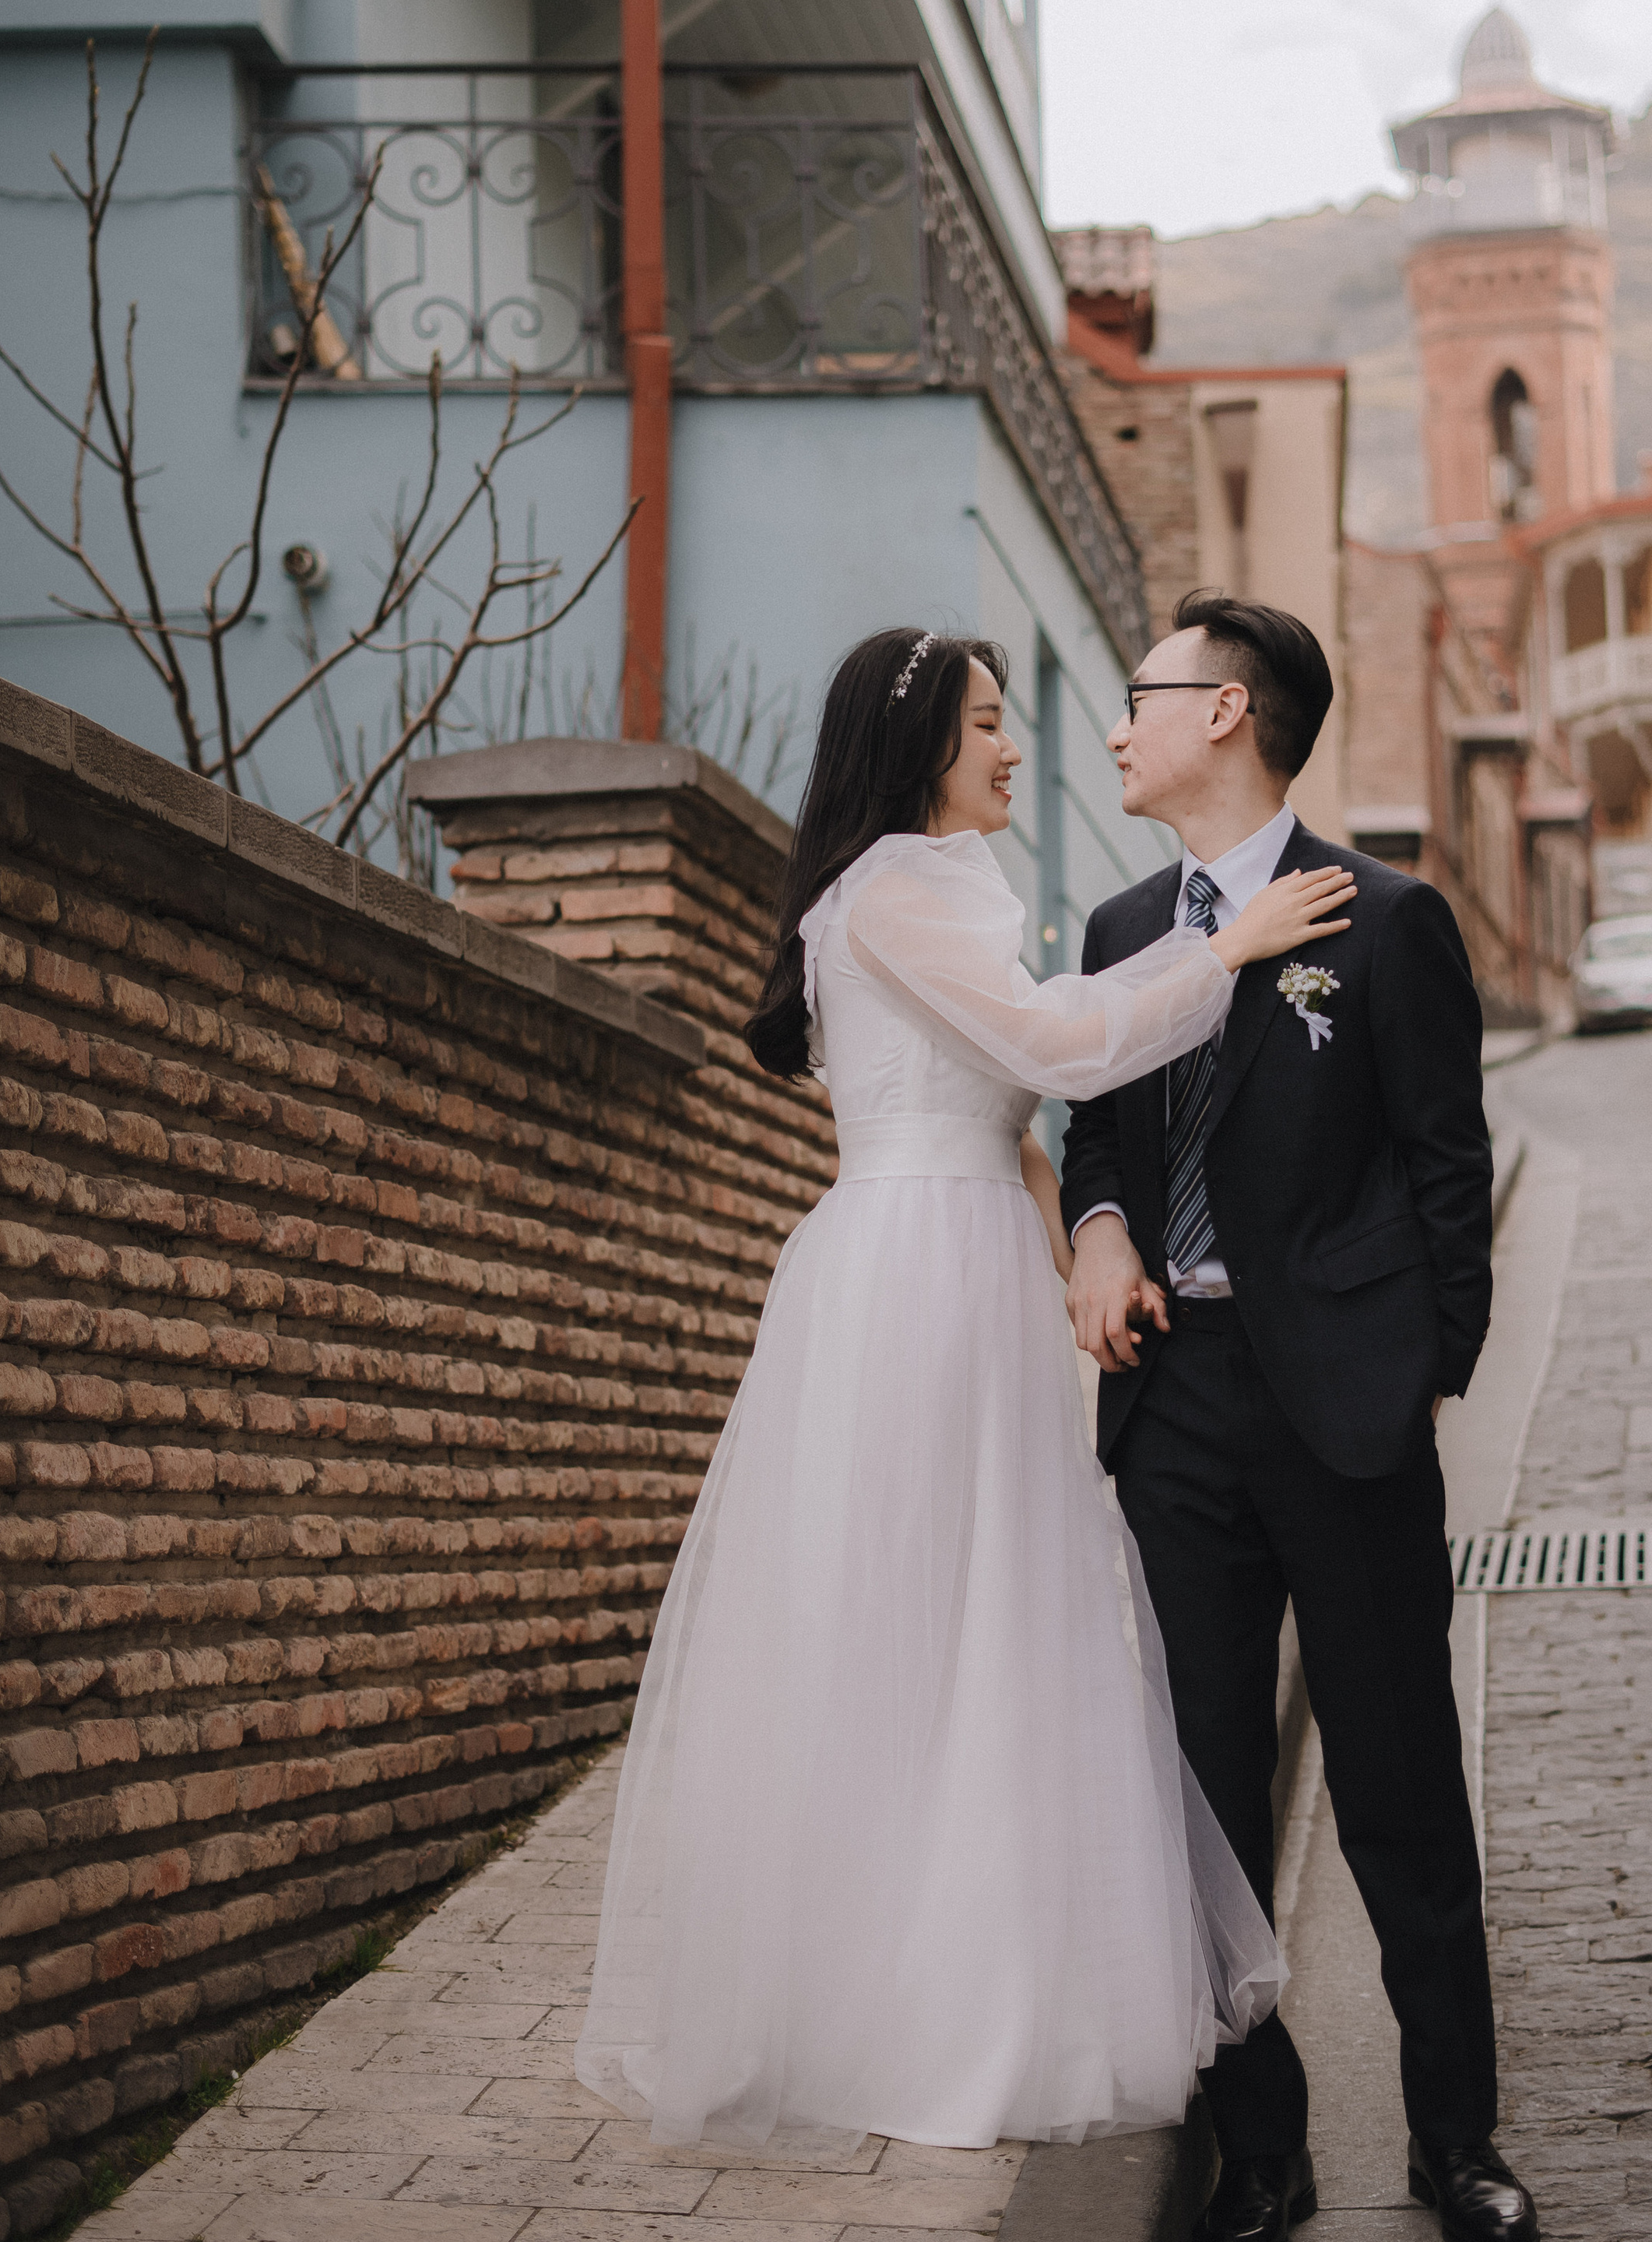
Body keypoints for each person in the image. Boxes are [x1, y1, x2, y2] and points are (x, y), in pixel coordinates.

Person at [574, 625, 1356, 2150]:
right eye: (992, 723)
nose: (1016, 748)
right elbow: (1048, 1044)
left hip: (979, 1264)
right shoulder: (877, 897)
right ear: (920, 741)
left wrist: (1085, 1233)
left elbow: (1006, 1102)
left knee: (994, 1615)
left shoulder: (950, 892)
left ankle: (988, 1960)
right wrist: (1225, 947)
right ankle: (902, 2008)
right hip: (906, 1279)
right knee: (911, 1619)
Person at [1061, 590, 1540, 2242]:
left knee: (1399, 1780)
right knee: (1196, 1788)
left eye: (1143, 694)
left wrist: (1429, 1369)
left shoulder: (1384, 918)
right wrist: (1101, 1224)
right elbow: (1094, 1136)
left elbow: (1443, 1164)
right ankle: (1259, 2157)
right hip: (1172, 1404)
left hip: (1339, 1410)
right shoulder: (1125, 919)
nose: (1114, 723)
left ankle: (1454, 2140)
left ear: (1230, 712)